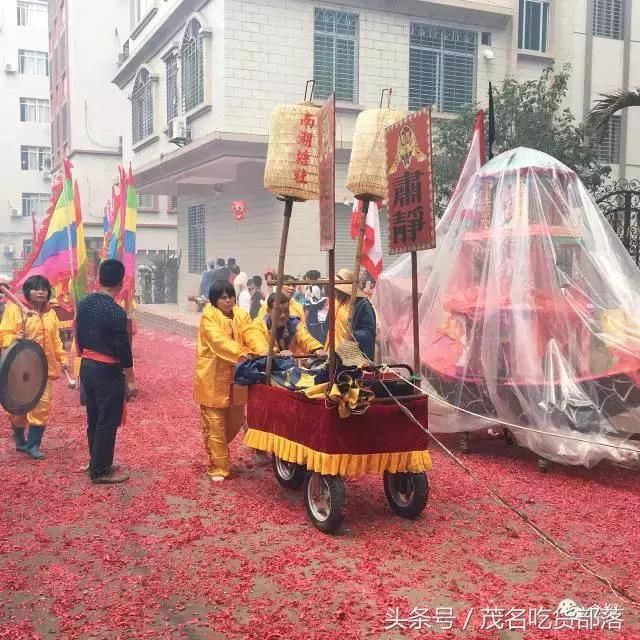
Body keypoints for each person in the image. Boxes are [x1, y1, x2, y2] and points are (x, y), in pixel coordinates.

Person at [194, 280, 268, 481]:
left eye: (230, 296)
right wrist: (244, 353)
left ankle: (216, 450)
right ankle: (219, 467)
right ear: (215, 300)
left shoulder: (241, 314)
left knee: (235, 422)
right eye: (223, 297)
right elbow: (219, 342)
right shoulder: (209, 317)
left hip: (237, 379)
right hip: (212, 379)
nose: (228, 301)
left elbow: (251, 332)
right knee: (215, 423)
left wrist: (262, 351)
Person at [76, 259, 137, 484]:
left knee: (93, 417)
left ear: (99, 278)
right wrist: (131, 379)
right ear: (120, 283)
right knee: (108, 419)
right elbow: (123, 349)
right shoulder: (116, 312)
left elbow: (79, 337)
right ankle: (100, 469)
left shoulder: (84, 304)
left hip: (87, 365)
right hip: (106, 369)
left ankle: (96, 461)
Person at [0, 275, 68, 460]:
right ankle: (20, 440)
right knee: (18, 407)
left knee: (42, 405)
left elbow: (55, 340)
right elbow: (3, 334)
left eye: (44, 289)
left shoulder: (50, 313)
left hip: (44, 369)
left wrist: (63, 359)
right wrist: (15, 338)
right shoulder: (15, 309)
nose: (40, 292)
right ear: (27, 291)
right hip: (19, 367)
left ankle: (33, 445)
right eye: (36, 288)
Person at [255, 292, 326, 357]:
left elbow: (307, 339)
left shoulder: (294, 323)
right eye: (278, 311)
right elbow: (260, 347)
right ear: (268, 311)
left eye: (286, 311)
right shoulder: (260, 325)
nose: (283, 315)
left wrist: (317, 349)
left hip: (292, 366)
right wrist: (278, 354)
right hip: (267, 367)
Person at [328, 268, 377, 362]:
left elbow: (369, 332)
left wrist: (354, 335)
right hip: (334, 353)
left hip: (352, 355)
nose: (336, 292)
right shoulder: (337, 303)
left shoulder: (362, 304)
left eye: (338, 290)